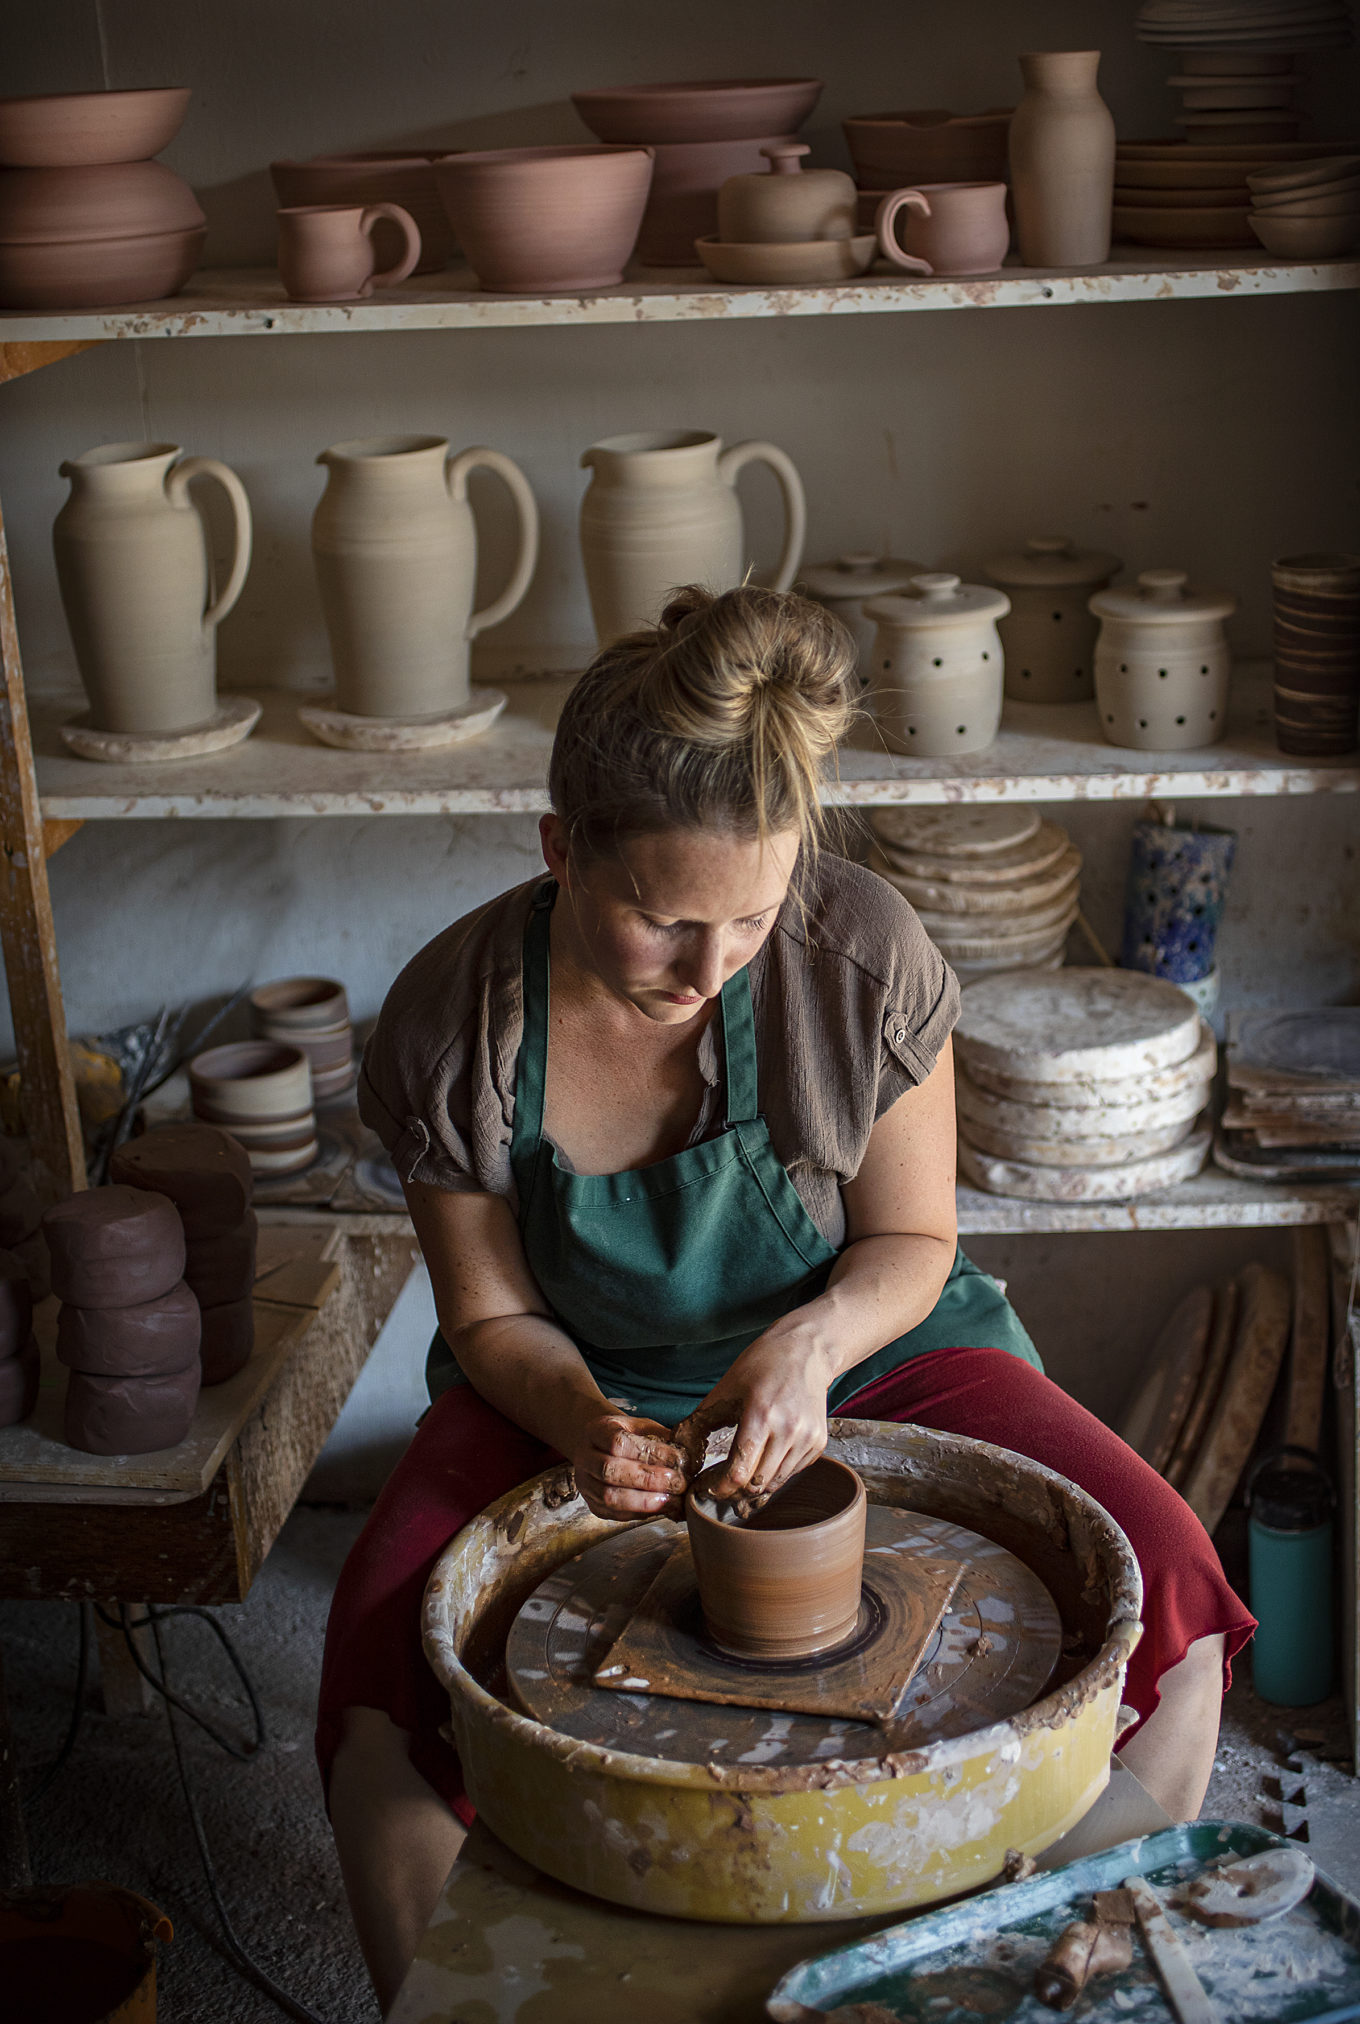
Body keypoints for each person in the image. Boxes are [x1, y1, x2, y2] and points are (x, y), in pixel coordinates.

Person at [317, 585, 1254, 2011]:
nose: (708, 971)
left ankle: (1044, 1964)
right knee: (382, 1668)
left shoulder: (859, 954)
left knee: (1169, 1584)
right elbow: (491, 1322)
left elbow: (912, 1241)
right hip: (573, 1386)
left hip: (867, 1340)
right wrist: (583, 1417)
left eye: (749, 923)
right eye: (662, 921)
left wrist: (810, 1349)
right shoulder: (452, 1024)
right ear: (562, 849)